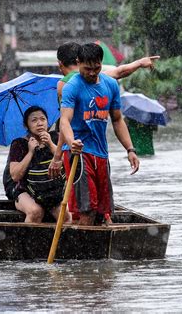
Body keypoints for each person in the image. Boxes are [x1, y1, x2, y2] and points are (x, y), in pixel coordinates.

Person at [59, 43, 140, 226]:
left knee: (104, 211)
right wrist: (72, 142)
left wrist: (130, 149)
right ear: (78, 63)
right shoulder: (72, 87)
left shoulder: (110, 85)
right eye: (87, 68)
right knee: (87, 209)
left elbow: (117, 120)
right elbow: (65, 121)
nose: (92, 73)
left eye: (96, 68)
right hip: (79, 153)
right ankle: (83, 252)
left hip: (101, 154)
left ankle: (93, 250)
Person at [2, 106, 72, 223]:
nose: (39, 123)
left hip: (53, 190)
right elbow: (15, 176)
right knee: (36, 212)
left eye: (42, 119)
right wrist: (30, 152)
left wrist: (50, 144)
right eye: (34, 120)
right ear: (26, 126)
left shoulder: (56, 138)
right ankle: (29, 240)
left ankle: (63, 241)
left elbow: (68, 163)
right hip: (26, 189)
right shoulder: (19, 144)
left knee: (65, 215)